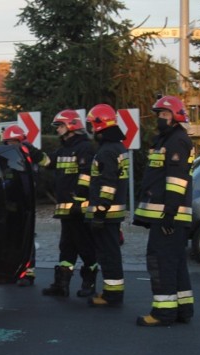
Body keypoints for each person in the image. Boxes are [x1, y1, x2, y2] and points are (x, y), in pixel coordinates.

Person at [133, 95, 194, 326]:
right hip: (169, 215)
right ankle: (182, 309)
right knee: (175, 262)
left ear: (176, 117)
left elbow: (176, 180)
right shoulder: (167, 140)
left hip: (170, 216)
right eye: (159, 114)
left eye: (165, 114)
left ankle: (163, 312)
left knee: (162, 263)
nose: (160, 118)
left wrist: (169, 213)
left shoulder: (176, 141)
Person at [41, 110, 98, 298]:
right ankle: (62, 284)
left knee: (85, 246)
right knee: (66, 246)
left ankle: (89, 282)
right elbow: (49, 162)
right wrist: (30, 152)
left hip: (79, 210)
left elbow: (86, 177)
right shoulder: (64, 150)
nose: (57, 130)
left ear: (71, 126)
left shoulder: (85, 148)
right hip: (67, 210)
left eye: (60, 126)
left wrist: (78, 202)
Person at [84, 104, 129, 307]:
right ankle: (113, 292)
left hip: (107, 213)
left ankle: (112, 295)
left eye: (93, 125)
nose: (92, 130)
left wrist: (100, 212)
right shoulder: (119, 147)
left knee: (108, 254)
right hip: (115, 211)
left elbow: (108, 184)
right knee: (111, 252)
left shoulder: (106, 152)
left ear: (101, 125)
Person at [1, 124, 49, 286]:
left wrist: (33, 152)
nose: (10, 145)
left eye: (13, 142)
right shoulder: (6, 159)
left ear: (21, 141)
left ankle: (28, 273)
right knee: (9, 238)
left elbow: (45, 163)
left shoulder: (30, 155)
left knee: (26, 237)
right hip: (9, 205)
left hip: (26, 204)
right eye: (7, 142)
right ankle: (8, 271)